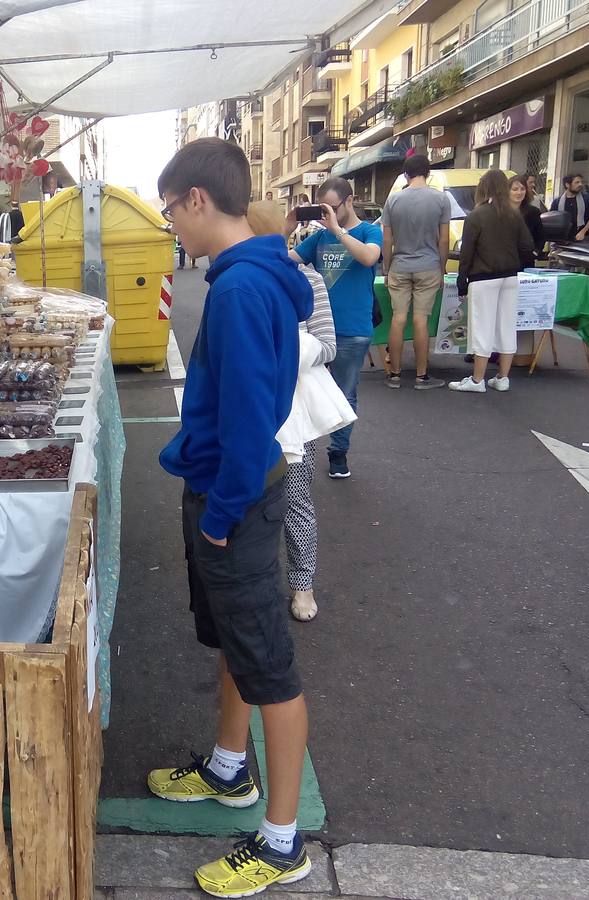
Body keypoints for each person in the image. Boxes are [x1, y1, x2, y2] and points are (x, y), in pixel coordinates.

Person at [148, 138, 315, 896]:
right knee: (234, 645)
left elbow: (250, 423)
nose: (171, 228)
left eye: (170, 211)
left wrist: (219, 515)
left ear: (197, 201)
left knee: (268, 666)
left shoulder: (241, 289)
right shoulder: (246, 277)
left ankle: (282, 842)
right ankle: (227, 768)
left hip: (235, 496)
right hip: (227, 490)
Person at [250, 200, 335, 623]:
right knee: (250, 498)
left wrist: (283, 351)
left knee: (296, 498)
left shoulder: (309, 280)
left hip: (294, 409)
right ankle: (256, 582)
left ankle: (303, 584)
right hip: (248, 408)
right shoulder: (237, 280)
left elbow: (328, 344)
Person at [290, 177, 383, 479]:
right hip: (317, 329)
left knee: (345, 391)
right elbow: (282, 260)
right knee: (305, 389)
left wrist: (337, 231)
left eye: (332, 207)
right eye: (322, 208)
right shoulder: (317, 238)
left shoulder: (368, 231)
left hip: (353, 327)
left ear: (349, 201)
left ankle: (338, 453)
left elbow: (369, 256)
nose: (325, 213)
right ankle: (300, 452)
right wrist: (286, 228)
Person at [449, 170, 534, 394]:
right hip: (511, 276)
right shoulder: (514, 214)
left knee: (482, 327)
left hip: (483, 277)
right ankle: (502, 378)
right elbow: (527, 247)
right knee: (507, 326)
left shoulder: (476, 216)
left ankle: (477, 380)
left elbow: (467, 252)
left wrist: (462, 279)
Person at [381, 154, 450, 390]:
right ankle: (421, 376)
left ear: (406, 175)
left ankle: (395, 375)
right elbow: (444, 240)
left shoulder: (393, 201)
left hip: (400, 266)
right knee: (421, 319)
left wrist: (387, 268)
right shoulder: (441, 200)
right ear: (428, 173)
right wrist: (441, 269)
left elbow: (387, 239)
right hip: (429, 265)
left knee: (398, 319)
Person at [550, 173, 589, 242]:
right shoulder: (557, 202)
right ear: (567, 185)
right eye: (577, 182)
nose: (580, 184)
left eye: (581, 182)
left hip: (584, 237)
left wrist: (583, 232)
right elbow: (553, 220)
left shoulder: (587, 198)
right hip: (563, 239)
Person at [511, 175, 544, 261]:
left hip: (526, 261)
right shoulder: (500, 212)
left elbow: (540, 237)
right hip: (505, 262)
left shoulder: (533, 212)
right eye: (515, 189)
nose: (519, 193)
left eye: (522, 189)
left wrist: (535, 252)